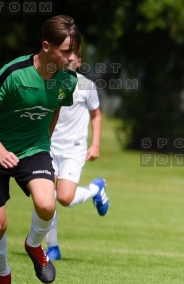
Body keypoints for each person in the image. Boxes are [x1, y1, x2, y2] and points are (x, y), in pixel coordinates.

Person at [0, 15, 81, 284]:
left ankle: (34, 246)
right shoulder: (14, 72)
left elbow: (55, 108)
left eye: (73, 51)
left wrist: (43, 142)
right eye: (65, 51)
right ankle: (3, 277)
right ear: (46, 46)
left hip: (34, 150)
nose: (71, 58)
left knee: (47, 204)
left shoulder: (68, 80)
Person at [45, 49, 109, 261]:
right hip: (50, 146)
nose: (69, 60)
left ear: (79, 62)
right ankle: (51, 247)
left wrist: (96, 144)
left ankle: (95, 189)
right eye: (65, 56)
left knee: (64, 198)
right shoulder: (50, 82)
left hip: (74, 149)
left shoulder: (86, 85)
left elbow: (96, 115)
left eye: (73, 58)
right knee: (47, 197)